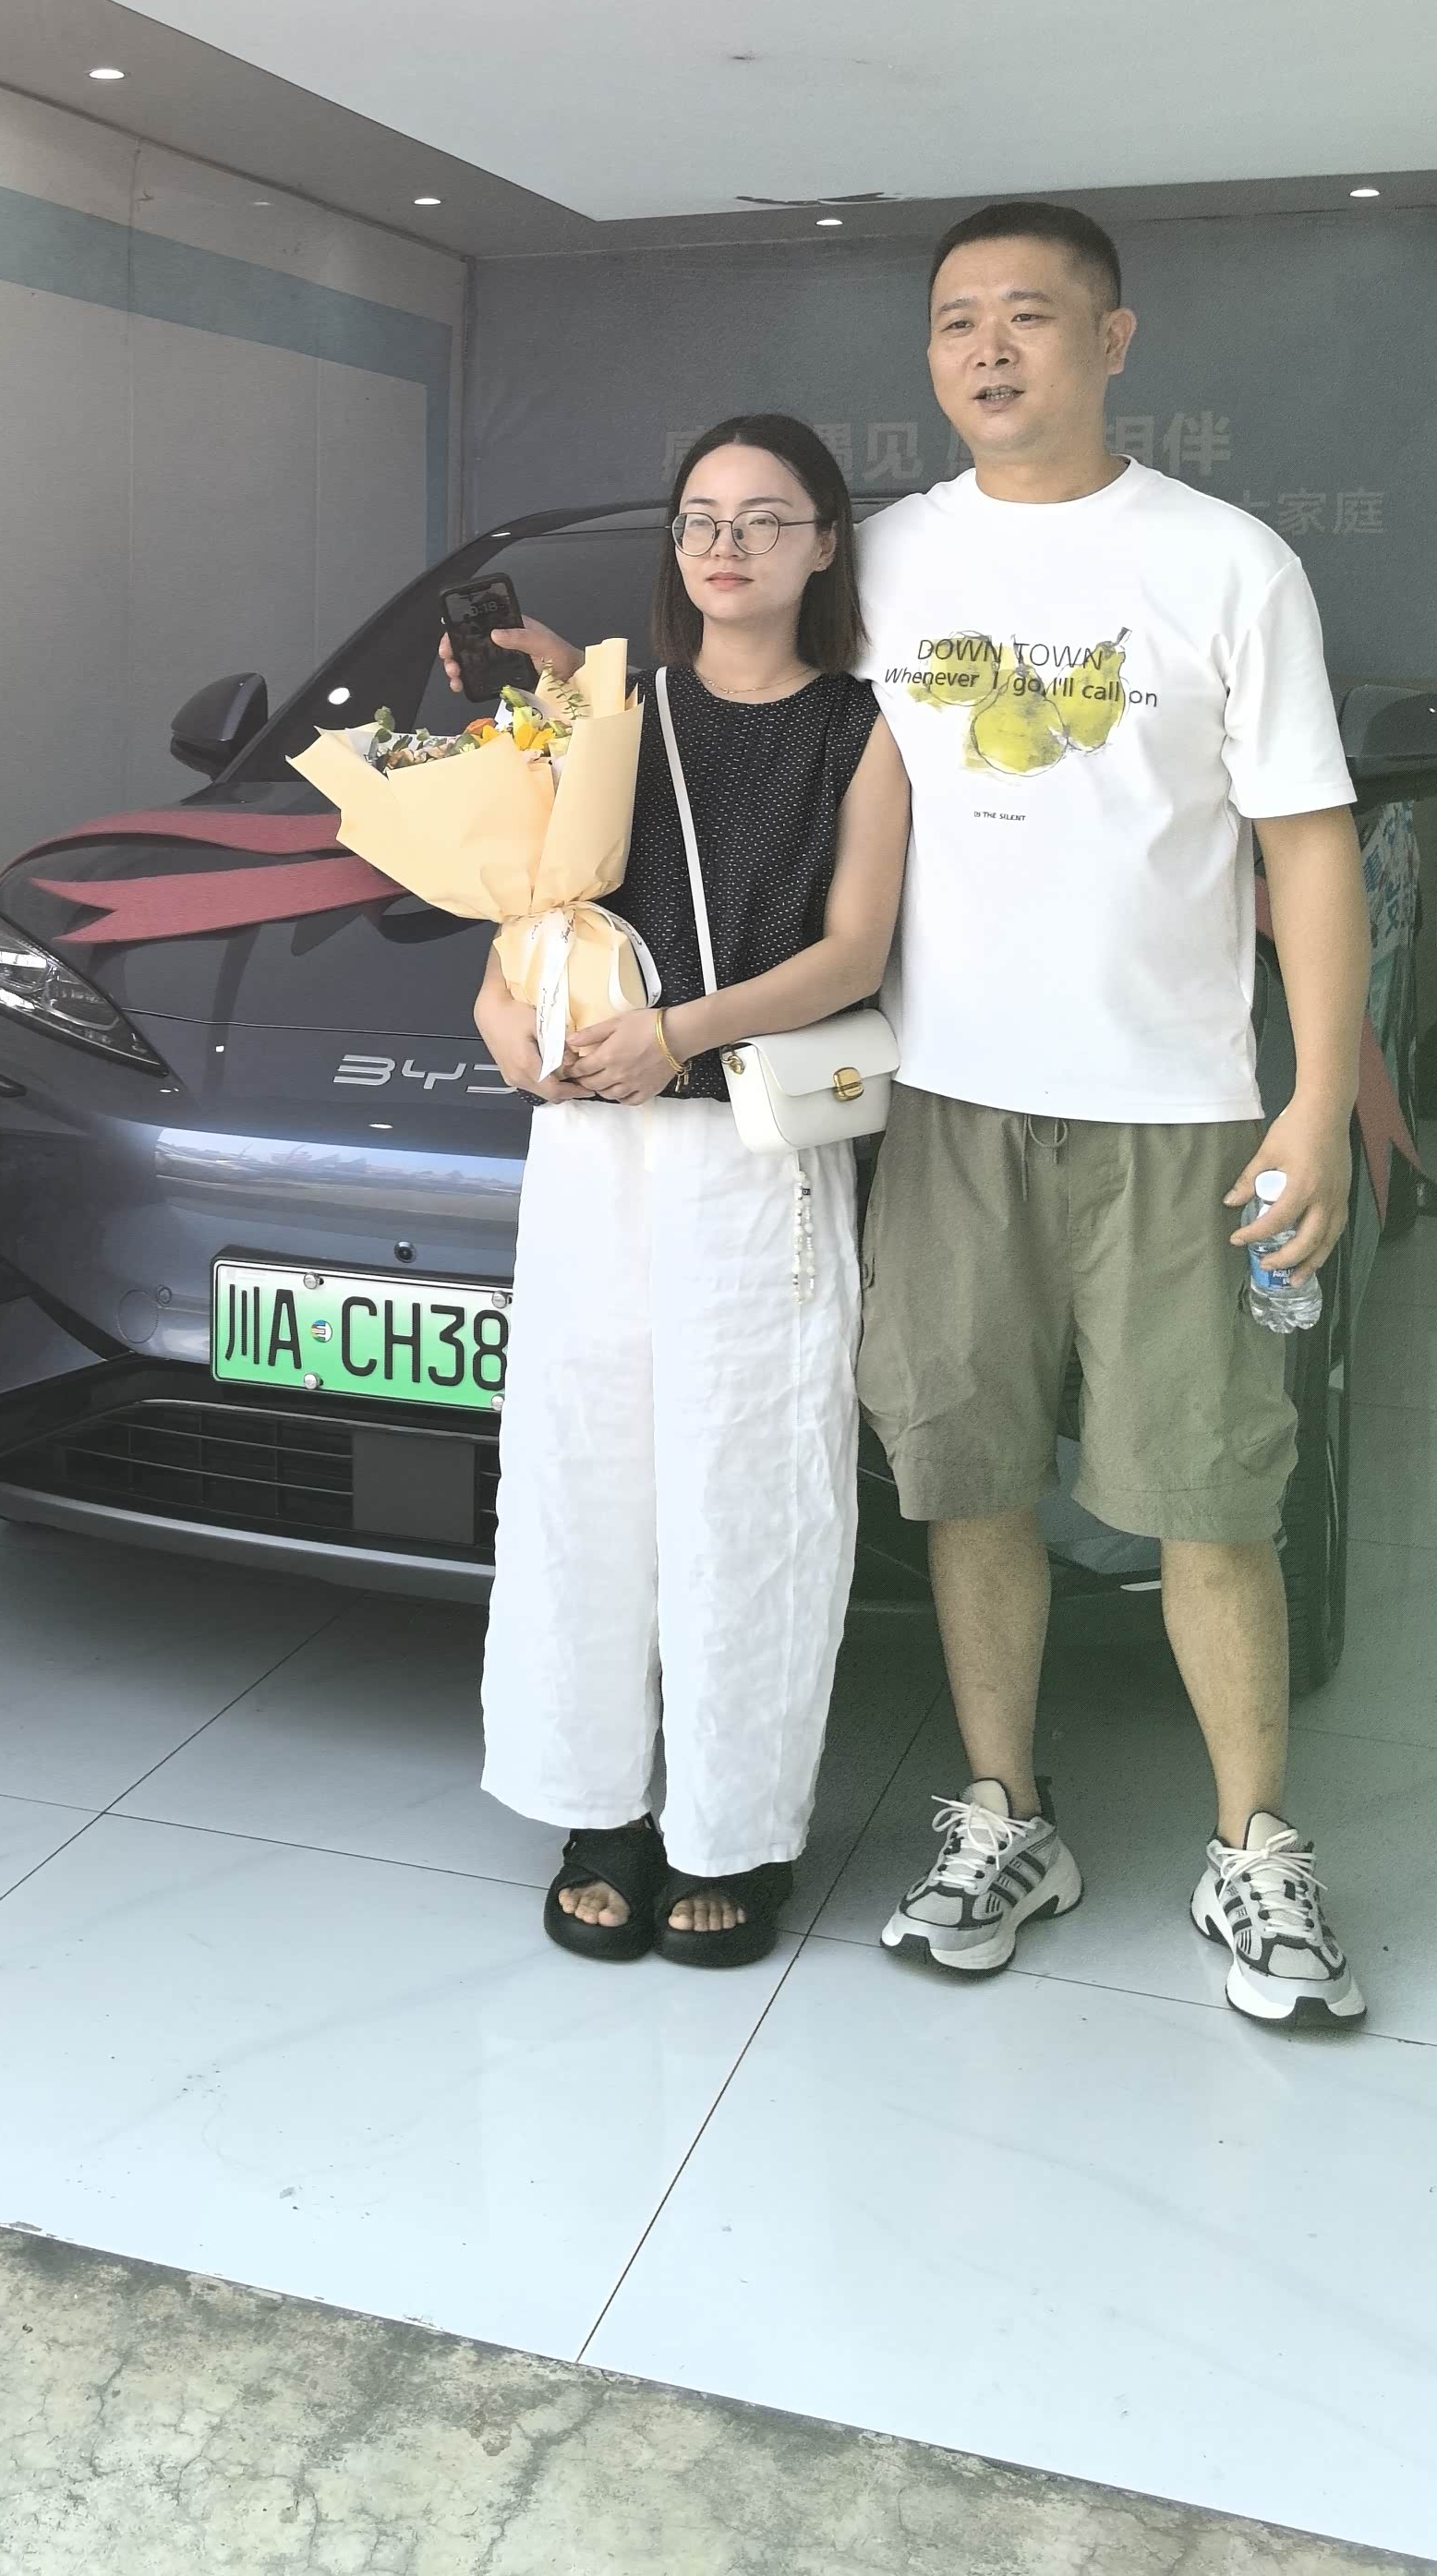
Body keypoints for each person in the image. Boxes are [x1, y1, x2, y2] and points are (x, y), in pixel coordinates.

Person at [854, 199, 1371, 2024]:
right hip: (945, 1103)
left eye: (1028, 315)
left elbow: (1310, 846)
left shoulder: (1226, 563)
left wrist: (1318, 1096)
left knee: (1208, 1491)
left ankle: (1256, 1850)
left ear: (1112, 339)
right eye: (955, 321)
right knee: (970, 1473)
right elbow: (743, 707)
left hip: (1178, 1111)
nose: (988, 350)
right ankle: (1008, 1814)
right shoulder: (885, 558)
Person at [467, 415, 910, 1965]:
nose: (728, 545)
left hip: (752, 1159)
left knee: (751, 1493)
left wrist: (682, 1034)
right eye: (702, 518)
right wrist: (505, 1024)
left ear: (825, 545)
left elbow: (853, 953)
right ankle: (594, 1805)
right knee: (578, 1480)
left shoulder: (862, 728)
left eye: (766, 519)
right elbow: (524, 925)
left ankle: (734, 1829)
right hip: (592, 1150)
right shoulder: (608, 715)